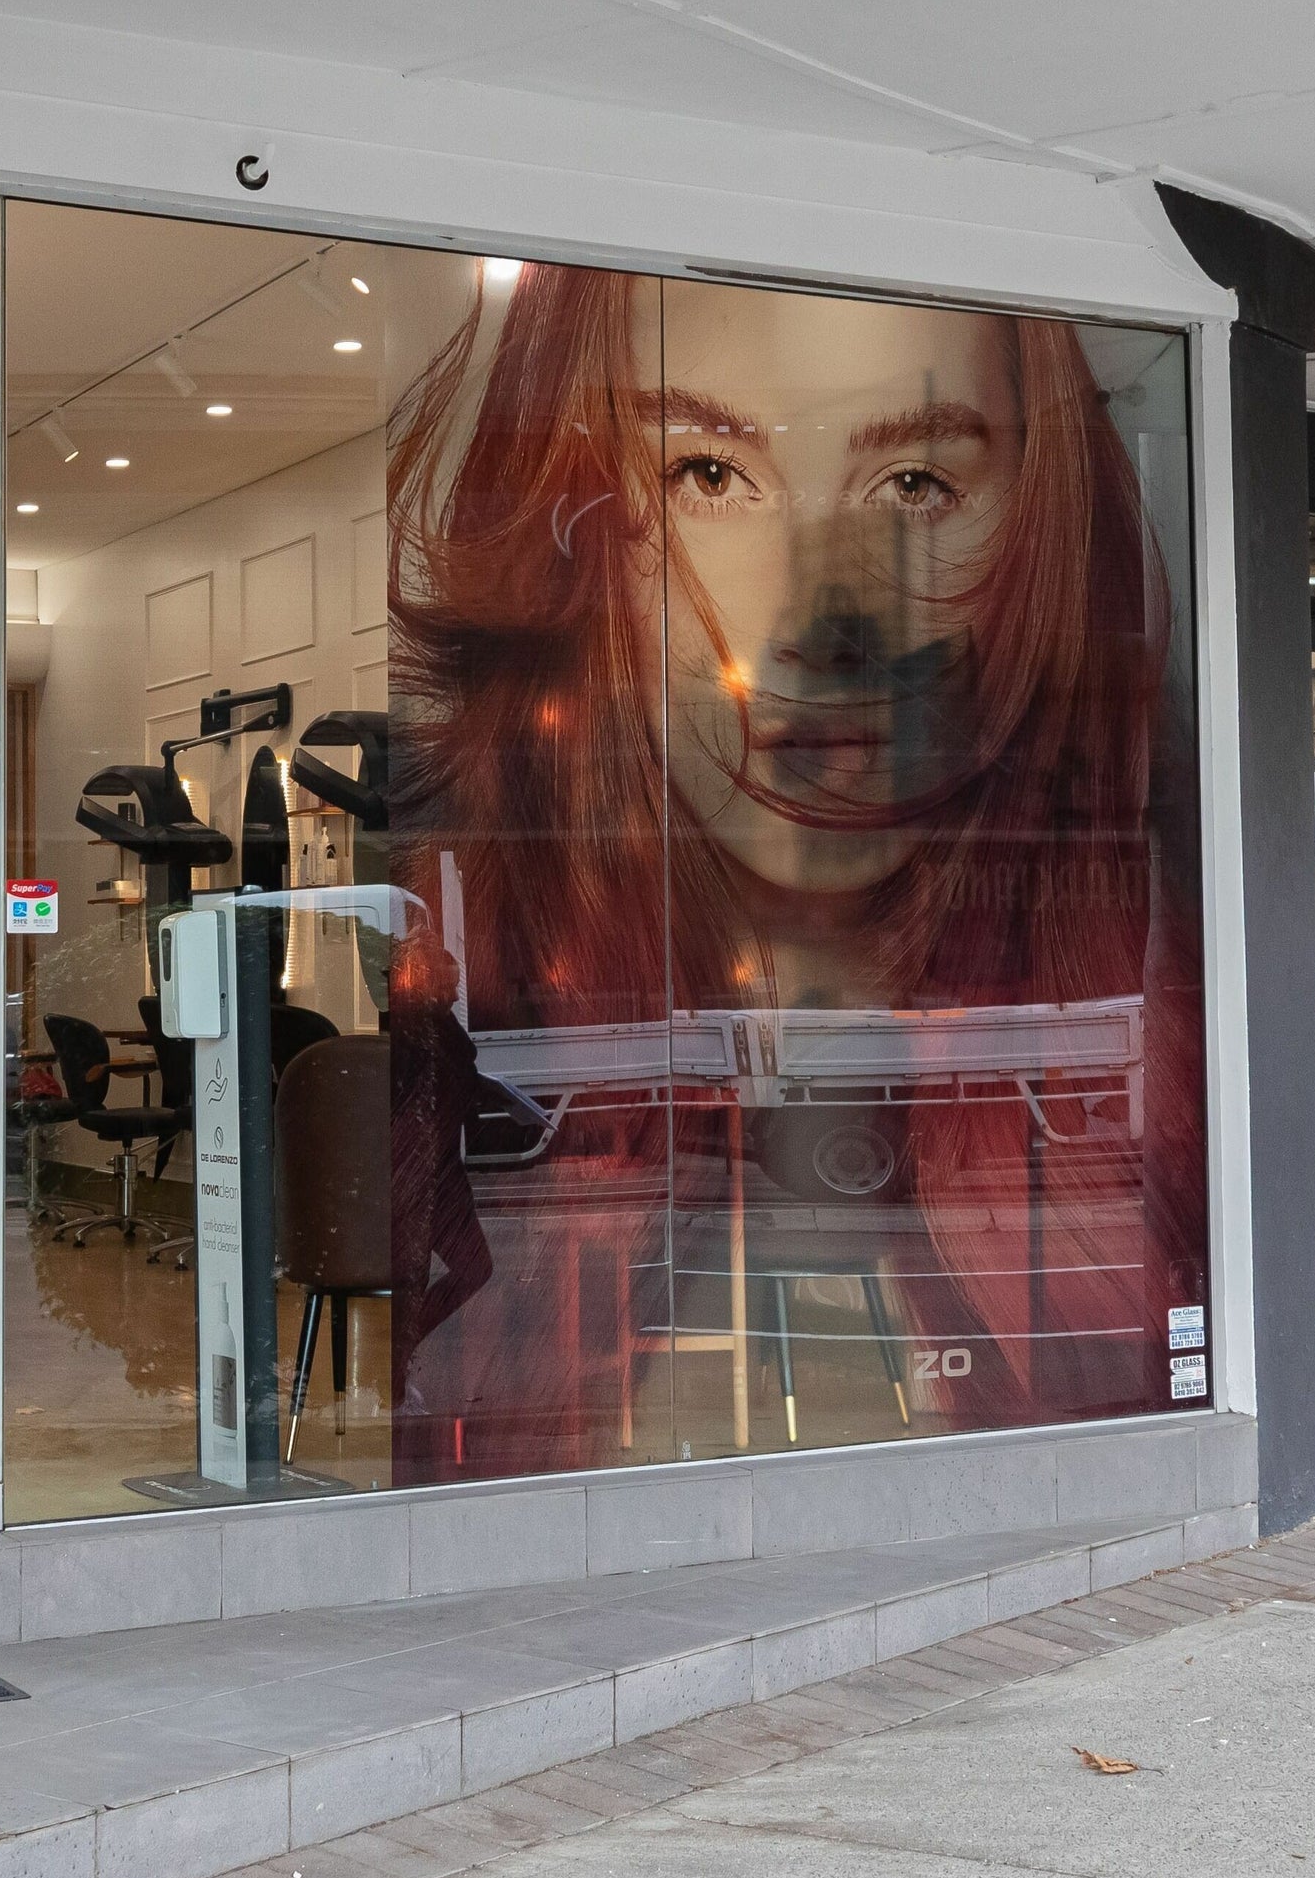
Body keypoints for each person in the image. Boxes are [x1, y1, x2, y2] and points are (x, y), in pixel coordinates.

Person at [376, 264, 1204, 1480]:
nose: (820, 616)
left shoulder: (1141, 1027)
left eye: (917, 483)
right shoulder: (483, 1037)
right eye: (707, 475)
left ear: (1038, 526)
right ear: (589, 539)